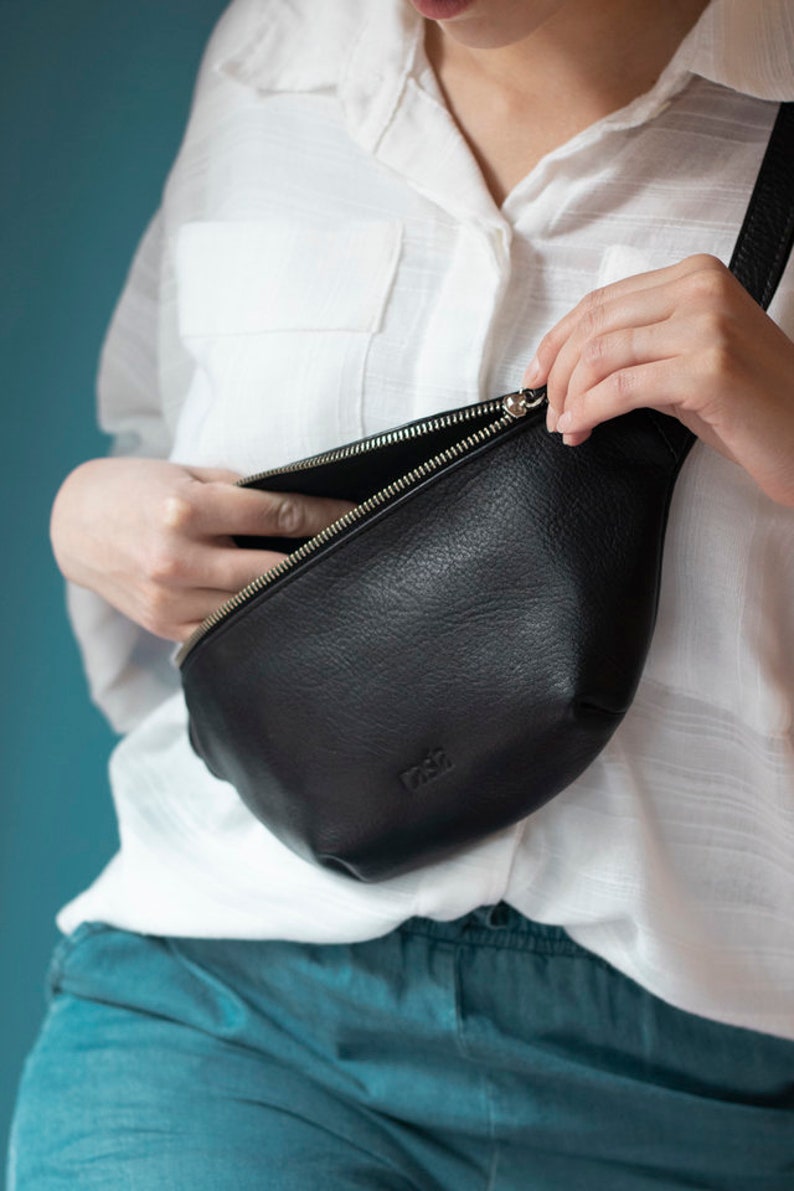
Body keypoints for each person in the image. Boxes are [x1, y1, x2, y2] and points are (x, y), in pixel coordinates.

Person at [8, 0, 794, 1186]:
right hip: (232, 995)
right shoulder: (268, 58)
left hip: (710, 1074)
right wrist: (83, 516)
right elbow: (152, 431)